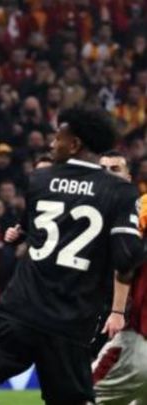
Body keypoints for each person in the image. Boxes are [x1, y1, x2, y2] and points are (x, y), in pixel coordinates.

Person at [0, 107, 144, 405]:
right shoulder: (121, 192)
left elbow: (28, 231)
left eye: (58, 137)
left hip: (19, 311)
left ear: (74, 144)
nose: (52, 143)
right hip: (70, 323)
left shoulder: (40, 180)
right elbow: (126, 258)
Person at [92, 150, 147, 404]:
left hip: (132, 327)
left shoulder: (140, 207)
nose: (108, 176)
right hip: (100, 313)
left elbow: (126, 262)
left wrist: (117, 311)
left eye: (115, 170)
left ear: (128, 176)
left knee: (81, 395)